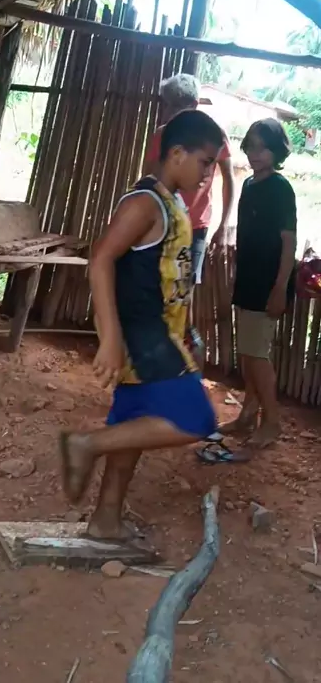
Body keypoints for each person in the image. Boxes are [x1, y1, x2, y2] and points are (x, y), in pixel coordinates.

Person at [59, 109, 224, 540]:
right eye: (205, 162)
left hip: (159, 333)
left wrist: (184, 331)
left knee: (132, 425)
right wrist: (111, 338)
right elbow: (100, 259)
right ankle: (86, 444)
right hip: (145, 336)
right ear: (177, 153)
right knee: (197, 419)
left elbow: (170, 275)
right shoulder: (145, 203)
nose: (209, 173)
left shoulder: (171, 201)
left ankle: (105, 520)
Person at [222, 118, 296, 449]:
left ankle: (272, 422)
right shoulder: (250, 185)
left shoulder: (280, 189)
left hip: (268, 283)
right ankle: (248, 415)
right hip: (249, 280)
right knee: (248, 353)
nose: (255, 153)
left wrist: (280, 288)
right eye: (251, 146)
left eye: (263, 148)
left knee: (256, 356)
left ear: (277, 152)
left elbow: (288, 242)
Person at [144, 74, 235, 284]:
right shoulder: (162, 135)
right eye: (167, 105)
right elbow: (149, 177)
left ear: (194, 105)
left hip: (196, 226)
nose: (168, 111)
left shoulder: (215, 136)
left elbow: (228, 180)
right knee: (155, 282)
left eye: (175, 106)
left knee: (185, 286)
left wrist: (223, 225)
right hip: (163, 220)